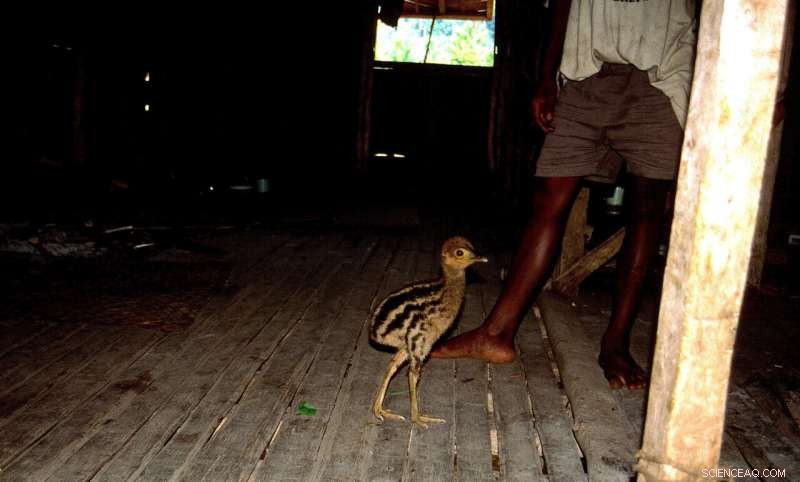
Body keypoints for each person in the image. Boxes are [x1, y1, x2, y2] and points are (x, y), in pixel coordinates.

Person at [431, 0, 698, 389]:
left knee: (647, 210)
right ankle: (496, 334)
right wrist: (547, 77)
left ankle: (616, 343)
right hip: (584, 74)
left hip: (661, 81)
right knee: (547, 200)